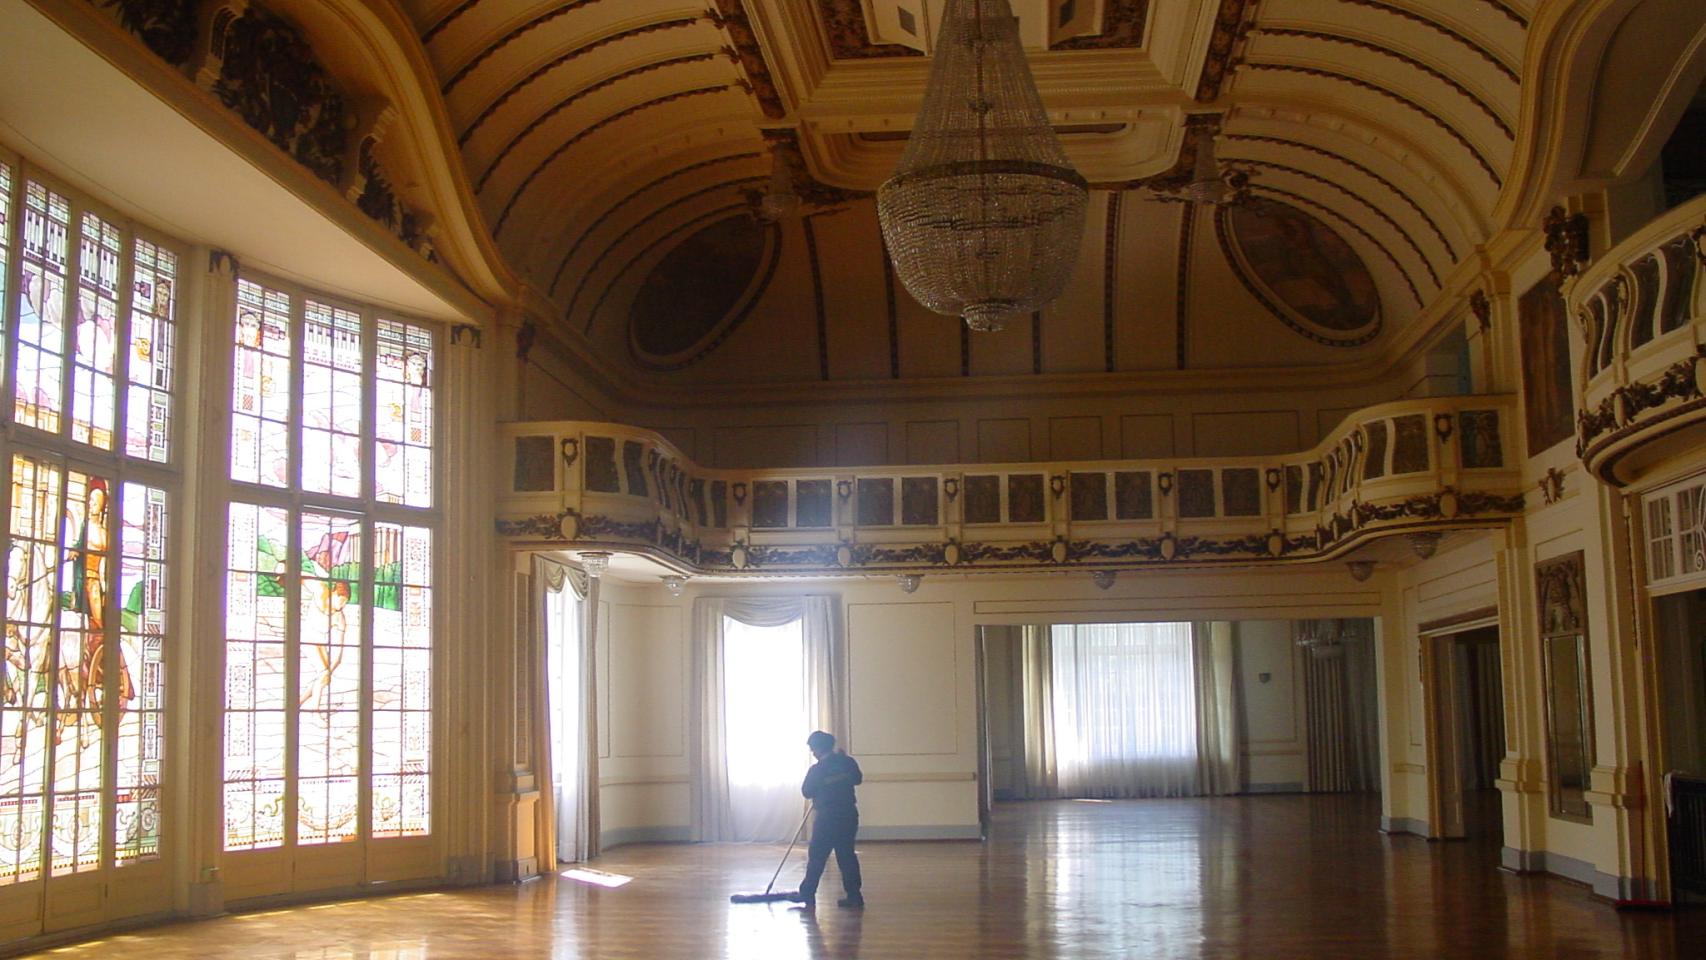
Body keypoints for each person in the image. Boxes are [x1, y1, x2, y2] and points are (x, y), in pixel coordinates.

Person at [787, 730, 864, 909]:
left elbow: (806, 792)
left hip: (827, 817)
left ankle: (807, 894)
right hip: (848, 815)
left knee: (817, 856)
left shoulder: (817, 769)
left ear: (818, 749)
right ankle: (854, 895)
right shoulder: (847, 762)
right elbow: (858, 779)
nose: (812, 753)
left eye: (813, 749)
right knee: (847, 856)